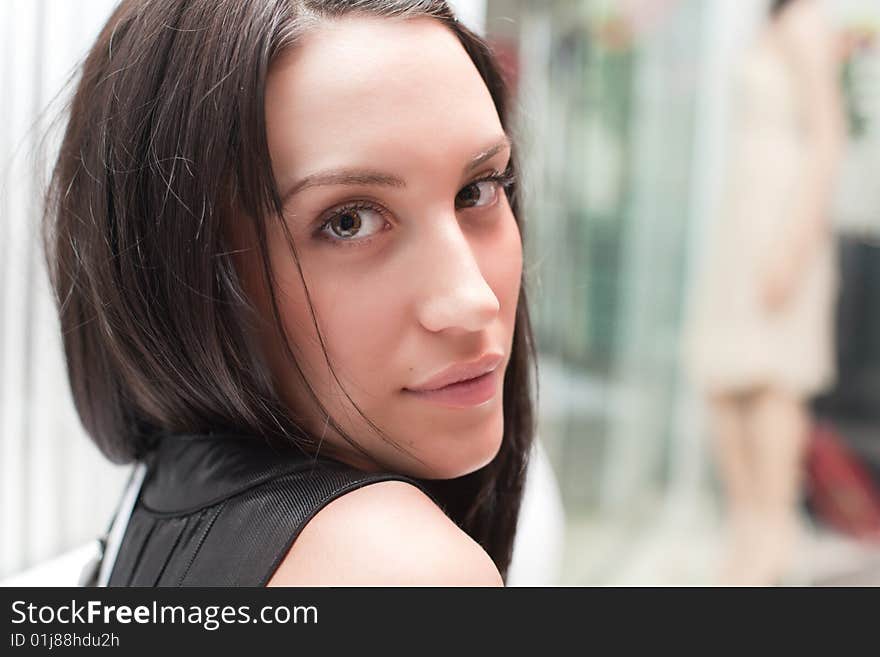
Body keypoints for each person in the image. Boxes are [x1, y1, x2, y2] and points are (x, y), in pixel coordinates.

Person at [43, 0, 537, 586]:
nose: (473, 298)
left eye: (477, 189)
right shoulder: (395, 569)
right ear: (185, 273)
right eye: (349, 221)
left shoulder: (166, 495)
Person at [683, 0, 846, 585]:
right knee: (723, 378)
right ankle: (751, 531)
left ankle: (770, 539)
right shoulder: (772, 22)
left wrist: (794, 248)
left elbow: (829, 139)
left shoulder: (804, 21)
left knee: (772, 376)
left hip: (781, 219)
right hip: (744, 217)